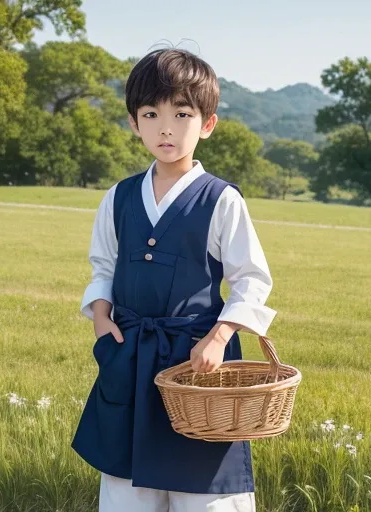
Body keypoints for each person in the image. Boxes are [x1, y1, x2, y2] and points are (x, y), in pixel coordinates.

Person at [71, 47, 276, 512]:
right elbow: (103, 267)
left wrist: (219, 338)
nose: (166, 127)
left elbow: (252, 280)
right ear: (133, 123)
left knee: (203, 492)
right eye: (151, 113)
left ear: (207, 123)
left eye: (182, 113)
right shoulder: (119, 197)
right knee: (127, 490)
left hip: (197, 365)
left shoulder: (221, 200)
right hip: (131, 358)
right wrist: (102, 320)